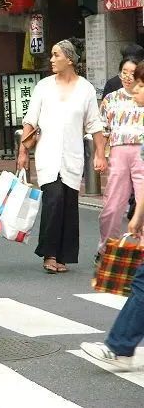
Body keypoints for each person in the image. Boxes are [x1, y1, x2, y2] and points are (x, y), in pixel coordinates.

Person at [17, 40, 106, 273]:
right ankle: (49, 254)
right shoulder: (44, 87)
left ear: (69, 59)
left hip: (73, 157)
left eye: (56, 55)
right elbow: (30, 120)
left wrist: (100, 153)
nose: (52, 59)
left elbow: (94, 124)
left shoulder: (85, 88)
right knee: (53, 201)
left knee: (69, 206)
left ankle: (63, 256)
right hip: (47, 155)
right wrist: (22, 153)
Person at [80, 69, 144, 369]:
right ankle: (120, 347)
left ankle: (119, 348)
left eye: (141, 83)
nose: (135, 88)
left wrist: (138, 216)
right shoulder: (112, 100)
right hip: (119, 153)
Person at [97, 57, 144, 257]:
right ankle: (107, 249)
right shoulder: (111, 99)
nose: (127, 76)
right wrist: (100, 155)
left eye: (131, 73)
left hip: (141, 153)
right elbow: (102, 130)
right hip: (118, 152)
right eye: (123, 71)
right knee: (112, 206)